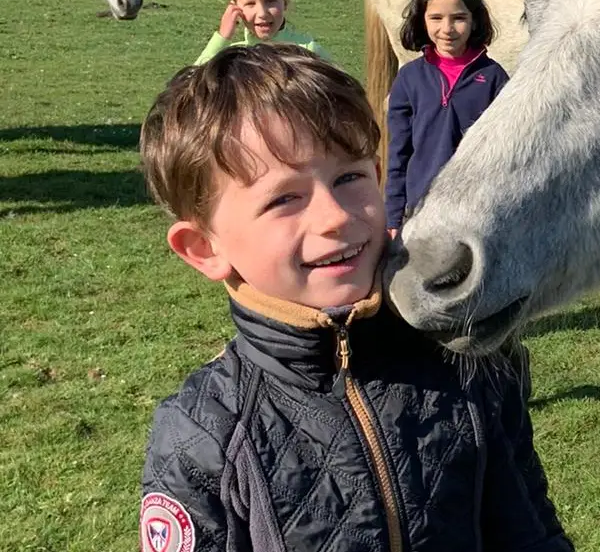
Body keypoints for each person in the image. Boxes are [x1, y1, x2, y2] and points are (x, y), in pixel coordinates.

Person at [137, 44, 573, 552]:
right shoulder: (202, 430)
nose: (335, 217)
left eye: (349, 177)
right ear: (203, 248)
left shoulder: (469, 358)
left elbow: (529, 530)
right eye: (284, 199)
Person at [385, 0, 507, 235]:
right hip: (420, 211)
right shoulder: (409, 78)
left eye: (459, 18)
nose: (447, 29)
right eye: (436, 18)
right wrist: (393, 217)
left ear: (475, 20)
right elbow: (398, 153)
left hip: (475, 213)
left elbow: (506, 153)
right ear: (422, 20)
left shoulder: (494, 77)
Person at [193, 0, 331, 66]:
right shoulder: (233, 58)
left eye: (270, 1)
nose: (262, 13)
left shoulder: (306, 52)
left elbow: (346, 93)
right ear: (235, 9)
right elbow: (189, 89)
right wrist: (222, 38)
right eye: (250, 4)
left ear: (285, 2)